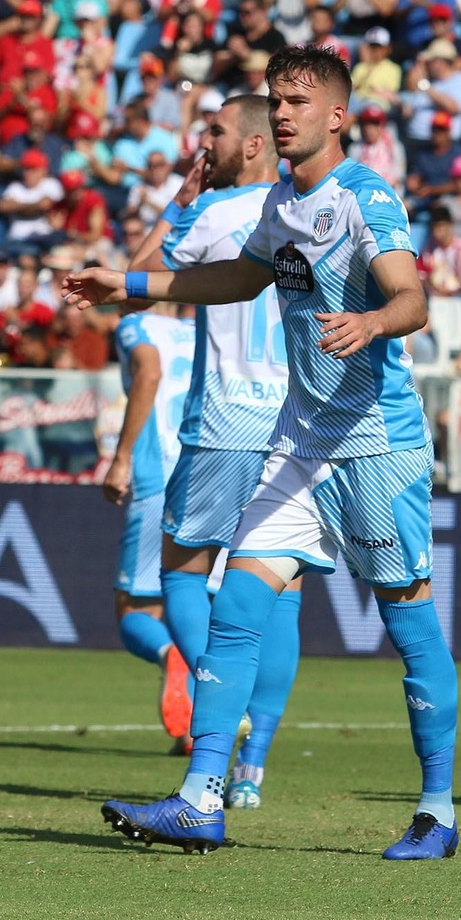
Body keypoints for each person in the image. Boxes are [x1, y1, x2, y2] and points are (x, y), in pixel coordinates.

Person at [64, 45, 457, 860]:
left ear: (338, 116)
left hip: (374, 444)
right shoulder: (281, 199)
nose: (282, 113)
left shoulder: (365, 198)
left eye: (299, 102)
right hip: (298, 440)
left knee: (408, 622)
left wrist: (374, 322)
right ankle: (202, 798)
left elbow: (412, 295)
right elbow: (236, 281)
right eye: (276, 99)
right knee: (238, 606)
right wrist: (128, 286)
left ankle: (437, 811)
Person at [125, 94, 301, 806]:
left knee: (183, 572)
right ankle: (253, 765)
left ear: (254, 145)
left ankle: (215, 715)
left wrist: (178, 201)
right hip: (295, 424)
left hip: (227, 418)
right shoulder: (307, 208)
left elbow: (136, 283)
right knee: (281, 583)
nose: (206, 143)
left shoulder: (217, 213)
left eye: (217, 132)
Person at [104, 300, 197, 753]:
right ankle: (195, 734)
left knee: (135, 610)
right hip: (209, 474)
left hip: (158, 474)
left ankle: (170, 658)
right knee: (190, 597)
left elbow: (149, 374)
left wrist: (120, 457)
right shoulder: (201, 328)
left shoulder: (135, 325)